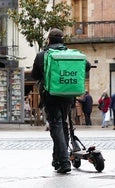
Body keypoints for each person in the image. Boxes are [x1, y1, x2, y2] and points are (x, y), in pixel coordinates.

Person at [31, 28, 90, 173]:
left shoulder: (42, 55)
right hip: (68, 97)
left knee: (56, 126)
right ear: (62, 40)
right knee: (62, 125)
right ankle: (56, 159)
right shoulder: (71, 54)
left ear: (49, 40)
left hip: (50, 96)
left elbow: (34, 75)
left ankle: (64, 162)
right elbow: (87, 65)